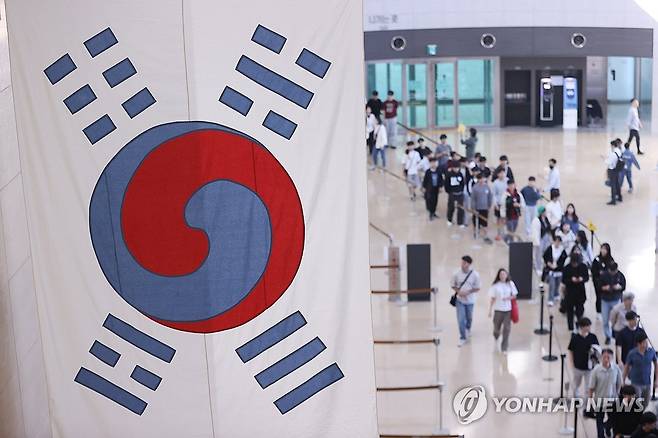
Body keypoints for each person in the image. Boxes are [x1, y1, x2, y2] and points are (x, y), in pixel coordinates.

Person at [588, 348, 623, 438]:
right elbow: (591, 388)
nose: (606, 359)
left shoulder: (616, 369)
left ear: (612, 358)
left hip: (612, 400)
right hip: (599, 400)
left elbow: (619, 383)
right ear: (601, 357)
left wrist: (617, 394)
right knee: (599, 420)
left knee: (613, 419)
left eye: (608, 357)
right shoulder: (596, 370)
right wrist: (590, 401)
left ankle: (607, 427)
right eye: (604, 357)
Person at [451, 255, 481, 347]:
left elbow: (477, 288)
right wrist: (459, 292)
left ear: (469, 264)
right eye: (462, 262)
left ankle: (468, 328)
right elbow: (452, 285)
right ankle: (462, 337)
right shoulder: (456, 273)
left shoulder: (475, 275)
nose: (462, 264)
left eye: (464, 263)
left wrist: (468, 292)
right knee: (461, 319)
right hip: (459, 300)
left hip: (470, 301)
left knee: (469, 318)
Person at [488, 268, 518, 354]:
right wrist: (490, 310)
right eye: (501, 274)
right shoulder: (495, 286)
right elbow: (492, 299)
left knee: (507, 329)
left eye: (504, 274)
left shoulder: (510, 284)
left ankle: (504, 347)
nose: (503, 276)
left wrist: (508, 298)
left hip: (507, 310)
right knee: (496, 328)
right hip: (498, 310)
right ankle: (496, 335)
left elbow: (514, 295)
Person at [624, 332, 658, 407]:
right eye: (644, 342)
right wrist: (623, 380)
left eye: (646, 341)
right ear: (638, 344)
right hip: (636, 383)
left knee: (646, 403)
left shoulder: (651, 352)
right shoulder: (632, 353)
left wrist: (656, 380)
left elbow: (656, 364)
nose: (646, 344)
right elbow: (626, 367)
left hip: (647, 383)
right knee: (637, 404)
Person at [568, 317, 599, 397]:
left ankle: (586, 402)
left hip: (589, 367)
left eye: (589, 326)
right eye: (587, 326)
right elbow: (571, 350)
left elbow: (598, 350)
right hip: (577, 366)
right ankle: (576, 398)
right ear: (582, 327)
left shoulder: (593, 337)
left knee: (588, 386)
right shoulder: (575, 338)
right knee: (576, 385)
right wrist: (571, 363)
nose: (589, 328)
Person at [562, 253, 589, 331]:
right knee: (570, 312)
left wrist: (582, 279)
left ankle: (579, 326)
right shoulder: (567, 268)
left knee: (580, 312)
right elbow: (564, 280)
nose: (575, 265)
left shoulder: (583, 267)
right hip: (570, 293)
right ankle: (571, 328)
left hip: (580, 293)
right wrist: (571, 280)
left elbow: (587, 278)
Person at [600, 262, 627, 344]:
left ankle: (615, 334)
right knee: (605, 320)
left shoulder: (620, 275)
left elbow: (623, 286)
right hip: (605, 301)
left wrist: (619, 287)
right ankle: (608, 336)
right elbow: (598, 286)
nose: (612, 273)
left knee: (616, 319)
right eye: (611, 271)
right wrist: (604, 288)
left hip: (616, 300)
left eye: (614, 271)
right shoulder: (604, 275)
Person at [592, 243, 614, 321]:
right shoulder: (597, 259)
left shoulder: (611, 260)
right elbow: (593, 271)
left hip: (607, 282)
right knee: (599, 296)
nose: (603, 250)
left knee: (607, 296)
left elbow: (612, 270)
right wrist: (599, 273)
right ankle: (599, 312)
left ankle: (607, 311)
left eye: (605, 249)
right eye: (602, 248)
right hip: (598, 281)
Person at [543, 234, 567, 306]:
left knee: (557, 284)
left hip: (559, 271)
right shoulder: (550, 248)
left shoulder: (562, 250)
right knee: (552, 285)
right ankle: (550, 299)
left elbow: (563, 259)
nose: (557, 243)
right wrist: (548, 263)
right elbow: (545, 256)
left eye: (559, 242)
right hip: (551, 270)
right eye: (556, 241)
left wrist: (558, 266)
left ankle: (556, 294)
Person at [471, 174, 493, 244]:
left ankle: (485, 235)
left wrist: (489, 205)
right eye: (480, 179)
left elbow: (490, 196)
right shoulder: (475, 188)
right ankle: (476, 233)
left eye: (483, 178)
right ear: (478, 179)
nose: (481, 180)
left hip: (485, 208)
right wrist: (473, 208)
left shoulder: (487, 187)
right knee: (475, 222)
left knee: (485, 222)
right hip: (477, 208)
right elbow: (473, 199)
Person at [531, 206, 552, 274]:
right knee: (539, 254)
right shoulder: (536, 220)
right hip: (540, 238)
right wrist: (536, 242)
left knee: (547, 253)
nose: (546, 213)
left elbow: (549, 228)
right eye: (544, 211)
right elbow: (535, 231)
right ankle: (538, 267)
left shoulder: (546, 219)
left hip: (546, 238)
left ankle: (546, 267)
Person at [445, 160, 465, 227]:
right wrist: (449, 192)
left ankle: (460, 222)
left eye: (457, 167)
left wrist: (461, 190)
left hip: (460, 193)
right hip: (452, 193)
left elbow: (462, 183)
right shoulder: (449, 174)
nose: (456, 169)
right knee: (451, 207)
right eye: (455, 167)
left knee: (461, 208)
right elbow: (446, 184)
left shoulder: (460, 174)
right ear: (452, 167)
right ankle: (449, 220)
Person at [606, 138, 624, 205]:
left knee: (613, 185)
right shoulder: (619, 151)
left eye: (611, 145)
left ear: (613, 145)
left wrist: (604, 159)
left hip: (612, 170)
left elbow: (609, 162)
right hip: (617, 169)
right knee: (617, 184)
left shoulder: (613, 153)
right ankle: (619, 197)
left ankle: (613, 200)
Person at [492, 169, 508, 241]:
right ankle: (499, 234)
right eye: (500, 173)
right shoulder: (495, 183)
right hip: (499, 203)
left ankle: (505, 233)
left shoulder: (507, 181)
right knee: (499, 219)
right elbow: (494, 195)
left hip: (506, 203)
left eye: (503, 173)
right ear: (498, 174)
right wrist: (495, 204)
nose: (502, 174)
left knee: (506, 219)